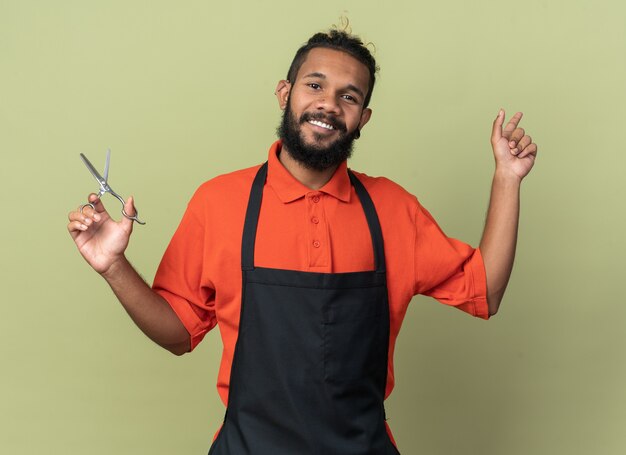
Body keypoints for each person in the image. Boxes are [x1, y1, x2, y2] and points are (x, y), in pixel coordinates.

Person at [68, 29, 537, 455]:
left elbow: (485, 291)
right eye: (315, 85)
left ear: (363, 118)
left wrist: (507, 179)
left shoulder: (393, 210)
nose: (329, 104)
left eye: (348, 96)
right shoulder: (219, 202)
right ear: (284, 93)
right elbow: (177, 335)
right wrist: (114, 267)